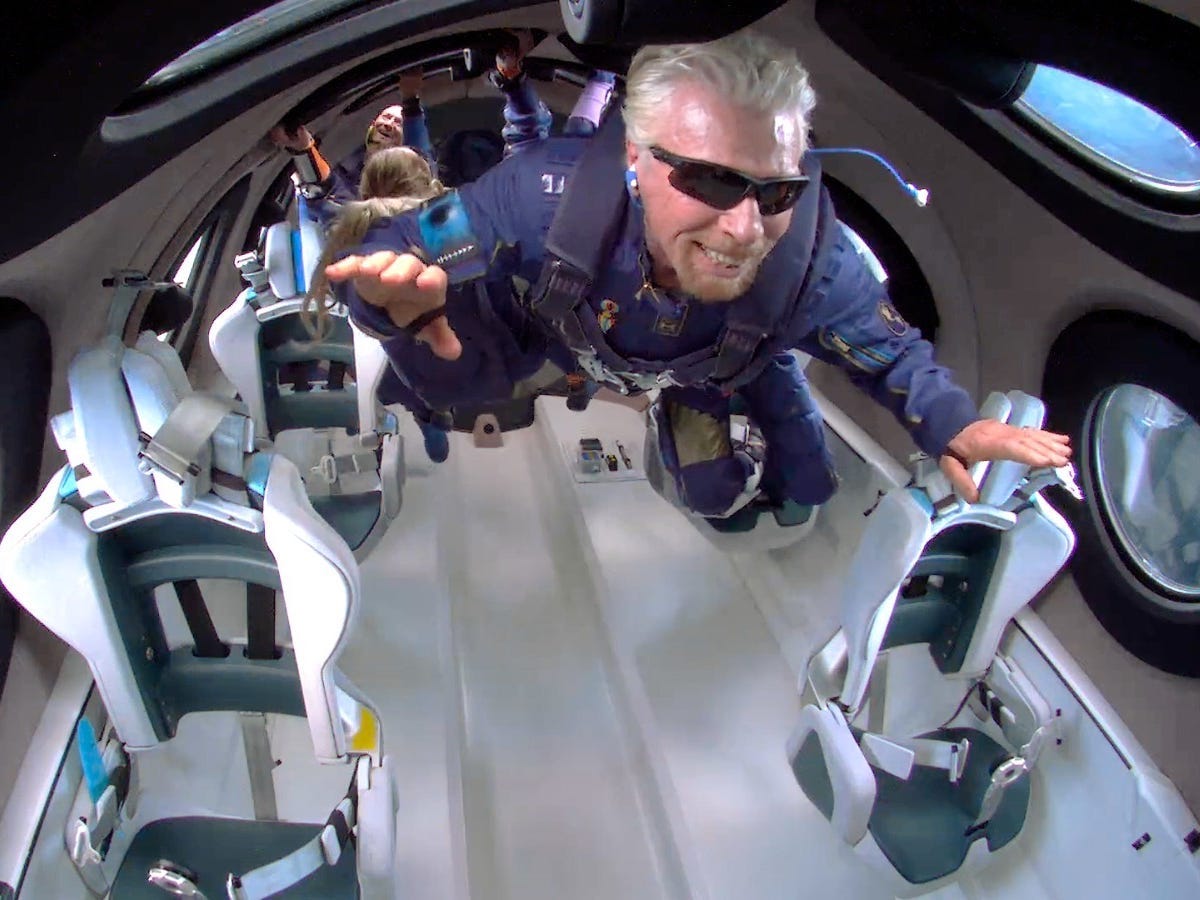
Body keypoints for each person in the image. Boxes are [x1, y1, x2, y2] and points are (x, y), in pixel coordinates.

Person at [325, 29, 1070, 517]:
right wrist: (382, 307)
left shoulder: (810, 258)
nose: (744, 230)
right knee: (452, 371)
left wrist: (953, 423)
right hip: (575, 336)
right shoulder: (539, 198)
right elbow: (408, 240)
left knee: (778, 491)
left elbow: (893, 355)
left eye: (774, 191)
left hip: (721, 362)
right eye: (710, 181)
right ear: (632, 159)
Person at [303, 146, 562, 463]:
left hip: (430, 377)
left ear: (368, 189)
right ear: (429, 184)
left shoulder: (358, 228)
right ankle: (579, 385)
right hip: (502, 354)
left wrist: (305, 151)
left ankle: (433, 424)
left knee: (422, 398)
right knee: (562, 343)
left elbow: (326, 200)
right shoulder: (446, 223)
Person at [270, 69, 433, 225]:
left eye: (398, 123)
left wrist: (411, 101)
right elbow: (331, 199)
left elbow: (418, 163)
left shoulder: (418, 186)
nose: (389, 124)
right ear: (371, 128)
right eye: (386, 117)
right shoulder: (347, 175)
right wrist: (303, 148)